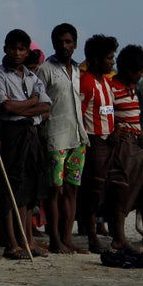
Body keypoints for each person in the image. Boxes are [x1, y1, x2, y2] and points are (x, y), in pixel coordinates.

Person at [0, 29, 51, 258]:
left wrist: (24, 105)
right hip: (11, 133)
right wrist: (32, 102)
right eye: (13, 48)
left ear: (27, 52)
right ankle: (12, 243)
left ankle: (28, 240)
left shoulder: (32, 77)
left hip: (31, 132)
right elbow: (5, 107)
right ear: (5, 48)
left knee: (29, 189)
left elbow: (46, 106)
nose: (16, 53)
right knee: (10, 189)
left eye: (21, 49)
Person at [35, 23, 87, 254]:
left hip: (77, 137)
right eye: (60, 42)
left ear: (75, 44)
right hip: (55, 138)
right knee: (54, 191)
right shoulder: (45, 70)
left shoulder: (77, 70)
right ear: (53, 43)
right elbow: (38, 102)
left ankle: (67, 237)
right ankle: (55, 238)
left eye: (68, 42)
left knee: (72, 190)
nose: (64, 46)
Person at [107, 45, 143, 250]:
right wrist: (114, 131)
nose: (141, 76)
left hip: (136, 146)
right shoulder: (112, 87)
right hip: (123, 147)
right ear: (129, 70)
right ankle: (118, 236)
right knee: (122, 189)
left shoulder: (133, 89)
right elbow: (105, 111)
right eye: (140, 72)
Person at [78, 34, 119, 253]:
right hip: (94, 142)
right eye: (109, 58)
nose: (112, 62)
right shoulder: (86, 83)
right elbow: (81, 115)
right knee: (92, 190)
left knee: (105, 190)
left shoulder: (105, 82)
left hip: (109, 141)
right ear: (95, 59)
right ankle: (91, 234)